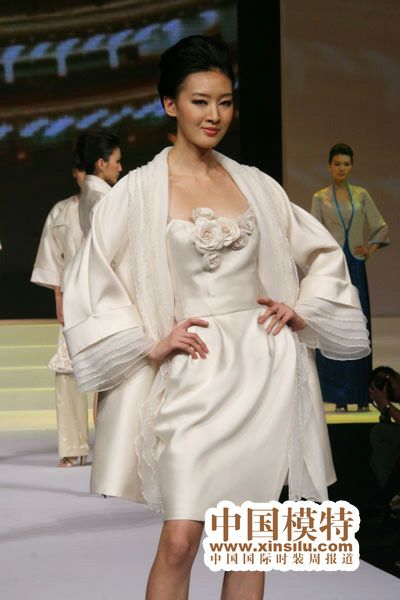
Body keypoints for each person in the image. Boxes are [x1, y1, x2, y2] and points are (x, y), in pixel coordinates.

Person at [63, 36, 370, 599]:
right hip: (192, 375)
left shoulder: (255, 185)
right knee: (180, 540)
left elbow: (324, 254)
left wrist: (300, 308)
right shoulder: (138, 191)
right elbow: (92, 272)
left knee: (247, 540)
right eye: (200, 101)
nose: (215, 115)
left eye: (225, 102)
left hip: (262, 368)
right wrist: (147, 343)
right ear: (170, 104)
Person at [311, 144, 389, 412]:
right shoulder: (320, 197)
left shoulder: (361, 195)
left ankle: (362, 395)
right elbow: (313, 233)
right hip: (333, 269)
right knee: (335, 325)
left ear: (352, 166)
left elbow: (380, 226)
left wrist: (370, 249)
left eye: (346, 163)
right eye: (337, 163)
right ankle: (340, 398)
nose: (342, 168)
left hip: (355, 267)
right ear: (329, 166)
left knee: (358, 327)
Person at [31, 151, 89, 467]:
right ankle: (72, 446)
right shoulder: (62, 211)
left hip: (113, 298)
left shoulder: (116, 205)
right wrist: (58, 297)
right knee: (68, 372)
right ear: (76, 174)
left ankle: (117, 447)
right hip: (74, 298)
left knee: (115, 374)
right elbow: (54, 259)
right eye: (82, 172)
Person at [73, 129, 123, 423]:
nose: (120, 167)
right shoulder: (102, 197)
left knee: (109, 376)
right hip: (110, 288)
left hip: (100, 287)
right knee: (113, 376)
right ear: (101, 163)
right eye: (116, 161)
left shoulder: (91, 194)